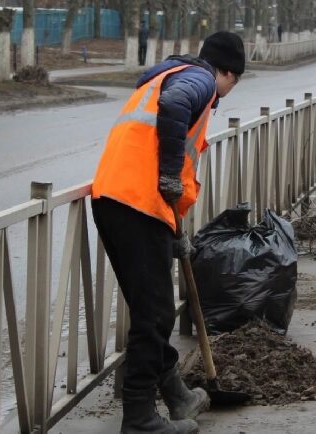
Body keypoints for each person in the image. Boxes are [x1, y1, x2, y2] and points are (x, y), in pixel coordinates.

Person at [91, 32, 245, 434]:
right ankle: (140, 418)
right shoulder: (200, 80)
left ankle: (177, 394)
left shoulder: (169, 74)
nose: (225, 92)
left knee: (151, 308)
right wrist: (169, 176)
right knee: (156, 315)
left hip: (116, 198)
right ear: (228, 72)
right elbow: (175, 108)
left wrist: (172, 219)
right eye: (233, 82)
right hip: (136, 204)